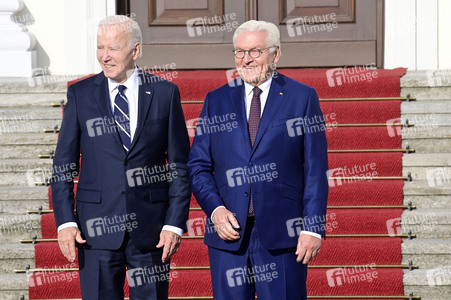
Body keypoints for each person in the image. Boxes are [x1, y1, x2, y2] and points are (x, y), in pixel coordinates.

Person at [51, 15, 191, 300]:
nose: (104, 56)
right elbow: (63, 165)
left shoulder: (165, 93)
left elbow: (179, 166)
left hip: (151, 231)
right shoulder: (80, 94)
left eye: (113, 48)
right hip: (95, 230)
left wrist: (174, 223)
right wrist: (65, 222)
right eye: (100, 47)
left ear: (135, 50)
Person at [187, 20, 329, 300]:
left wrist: (313, 228)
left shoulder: (302, 98)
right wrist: (215, 211)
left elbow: (315, 169)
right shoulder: (216, 100)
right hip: (228, 237)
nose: (246, 59)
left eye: (255, 51)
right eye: (239, 52)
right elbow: (198, 166)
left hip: (282, 237)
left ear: (276, 54)